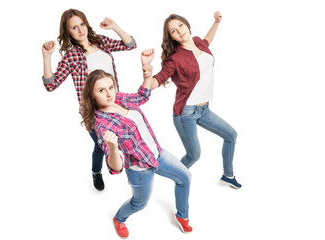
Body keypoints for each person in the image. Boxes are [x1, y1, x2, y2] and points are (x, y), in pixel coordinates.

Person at [80, 49, 192, 238]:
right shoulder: (102, 124)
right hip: (140, 169)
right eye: (101, 90)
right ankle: (119, 219)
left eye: (111, 87)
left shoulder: (119, 98)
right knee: (139, 203)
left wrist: (147, 73)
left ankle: (182, 216)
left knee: (185, 177)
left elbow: (142, 97)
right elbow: (114, 168)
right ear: (92, 95)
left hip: (156, 153)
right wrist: (114, 148)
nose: (109, 94)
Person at [141, 11, 242, 189]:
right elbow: (157, 80)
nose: (179, 31)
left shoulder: (198, 42)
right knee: (194, 155)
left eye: (180, 25)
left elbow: (207, 39)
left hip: (204, 110)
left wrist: (216, 22)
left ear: (186, 24)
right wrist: (147, 73)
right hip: (185, 113)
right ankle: (165, 173)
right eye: (173, 31)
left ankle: (228, 175)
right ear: (171, 37)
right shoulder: (175, 59)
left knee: (231, 135)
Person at [41, 9, 137, 191]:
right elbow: (50, 85)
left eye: (82, 24)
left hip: (114, 104)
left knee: (123, 139)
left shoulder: (100, 42)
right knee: (101, 145)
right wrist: (47, 57)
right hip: (92, 112)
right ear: (67, 32)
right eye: (74, 27)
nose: (80, 30)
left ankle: (134, 173)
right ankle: (96, 172)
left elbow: (130, 45)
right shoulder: (71, 56)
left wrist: (115, 26)